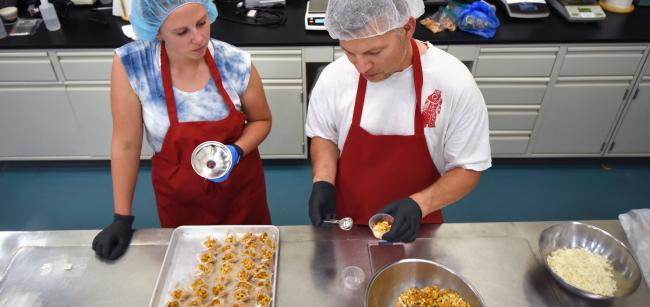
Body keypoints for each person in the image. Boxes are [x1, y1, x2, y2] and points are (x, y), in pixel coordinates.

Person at [93, 0, 272, 260]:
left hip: (239, 190)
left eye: (202, 22)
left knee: (249, 265)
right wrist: (122, 216)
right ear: (157, 32)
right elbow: (125, 144)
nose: (198, 38)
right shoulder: (134, 65)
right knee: (192, 270)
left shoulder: (235, 62)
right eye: (181, 32)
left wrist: (235, 151)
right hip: (179, 196)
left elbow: (261, 120)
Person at [306, 0, 491, 243]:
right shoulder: (335, 76)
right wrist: (323, 180)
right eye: (350, 52)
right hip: (346, 221)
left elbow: (468, 167)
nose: (361, 66)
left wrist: (419, 205)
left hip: (417, 226)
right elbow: (324, 134)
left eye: (374, 52)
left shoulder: (453, 83)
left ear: (407, 28)